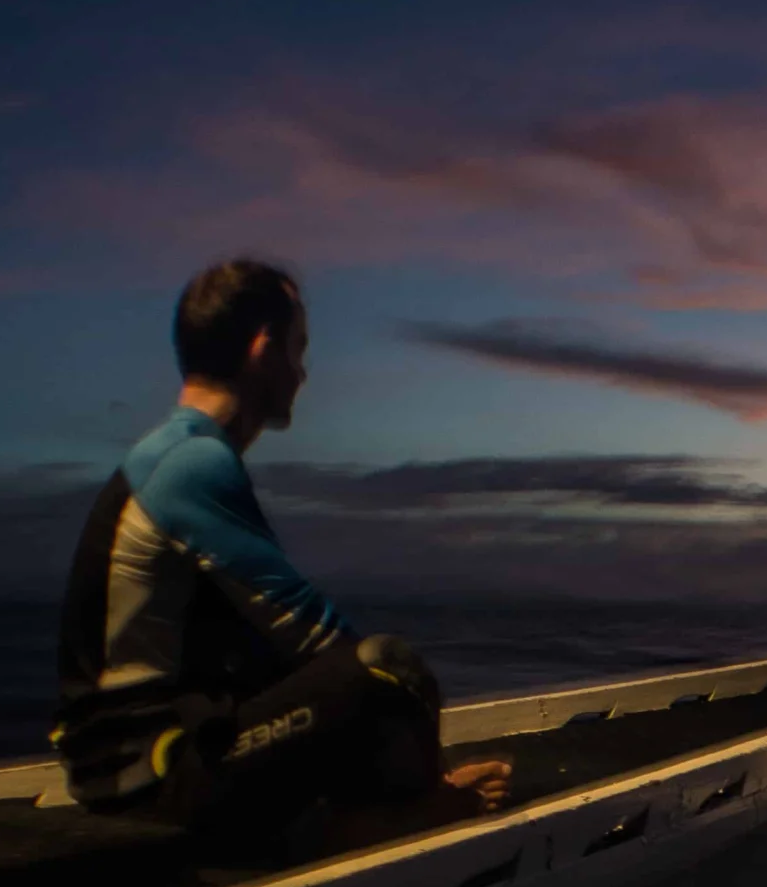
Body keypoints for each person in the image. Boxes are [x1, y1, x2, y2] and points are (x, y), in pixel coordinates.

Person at [53, 259, 507, 852]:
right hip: (151, 782)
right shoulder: (192, 463)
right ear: (264, 349)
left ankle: (370, 813)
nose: (302, 371)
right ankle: (410, 813)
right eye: (298, 349)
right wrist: (428, 778)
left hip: (127, 769)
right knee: (386, 664)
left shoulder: (168, 454)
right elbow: (314, 634)